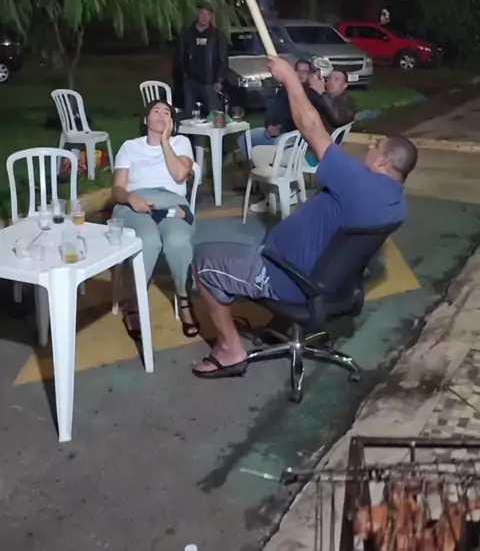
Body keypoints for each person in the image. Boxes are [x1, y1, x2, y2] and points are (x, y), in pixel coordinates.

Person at [191, 55, 417, 378]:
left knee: (203, 261)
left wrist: (289, 79)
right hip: (332, 286)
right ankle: (284, 322)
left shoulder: (357, 181)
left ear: (384, 162)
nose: (370, 147)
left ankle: (230, 350)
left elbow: (311, 127)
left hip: (284, 276)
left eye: (376, 145)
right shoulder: (397, 204)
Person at [112, 100, 199, 339]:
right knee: (148, 241)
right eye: (156, 111)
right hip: (135, 203)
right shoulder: (130, 147)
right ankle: (133, 303)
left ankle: (184, 298)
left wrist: (165, 142)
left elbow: (180, 175)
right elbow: (117, 189)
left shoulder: (181, 143)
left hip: (171, 204)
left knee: (177, 241)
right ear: (145, 119)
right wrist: (130, 198)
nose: (161, 115)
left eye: (167, 112)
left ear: (172, 121)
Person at [245, 62, 355, 212]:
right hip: (310, 149)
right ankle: (282, 192)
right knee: (264, 150)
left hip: (312, 155)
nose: (330, 82)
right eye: (330, 78)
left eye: (337, 79)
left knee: (258, 153)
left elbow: (337, 118)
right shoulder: (331, 100)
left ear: (345, 85)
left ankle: (275, 196)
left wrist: (321, 94)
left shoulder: (342, 102)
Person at [174, 4, 228, 116]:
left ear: (211, 17)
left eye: (207, 15)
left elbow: (223, 58)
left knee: (214, 113)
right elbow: (180, 54)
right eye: (202, 14)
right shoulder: (187, 33)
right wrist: (183, 74)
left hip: (209, 81)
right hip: (190, 81)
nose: (204, 17)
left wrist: (219, 79)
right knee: (188, 114)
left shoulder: (217, 36)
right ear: (197, 14)